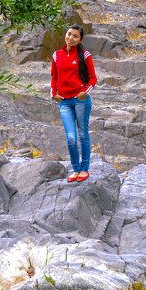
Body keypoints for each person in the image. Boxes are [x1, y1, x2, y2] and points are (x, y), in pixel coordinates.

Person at [51, 24, 97, 182]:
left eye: (75, 36)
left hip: (80, 100)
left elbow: (93, 78)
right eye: (69, 34)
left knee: (83, 134)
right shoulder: (57, 55)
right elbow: (53, 77)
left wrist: (86, 92)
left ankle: (85, 169)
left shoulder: (85, 55)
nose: (70, 38)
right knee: (71, 137)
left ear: (80, 39)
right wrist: (53, 94)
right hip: (63, 102)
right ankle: (75, 169)